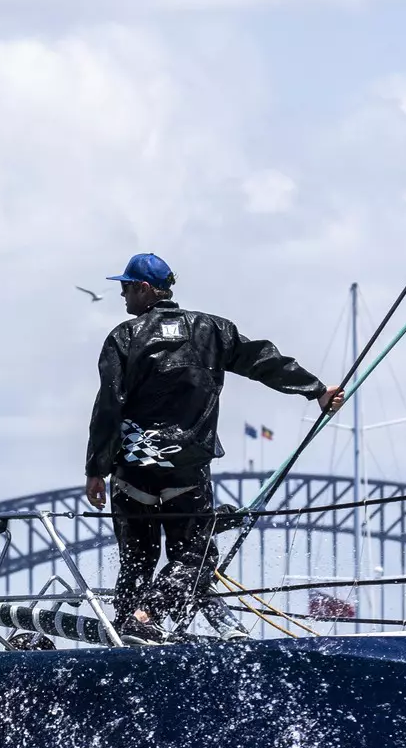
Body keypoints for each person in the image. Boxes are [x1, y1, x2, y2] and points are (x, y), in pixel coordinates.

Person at [85, 253, 345, 638]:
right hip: (187, 470)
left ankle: (130, 630)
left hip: (134, 472)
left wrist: (95, 470)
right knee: (196, 560)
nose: (122, 296)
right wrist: (317, 391)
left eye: (125, 287)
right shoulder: (213, 330)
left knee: (136, 562)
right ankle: (147, 617)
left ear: (143, 289)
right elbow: (263, 361)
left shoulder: (124, 337)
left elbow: (109, 404)